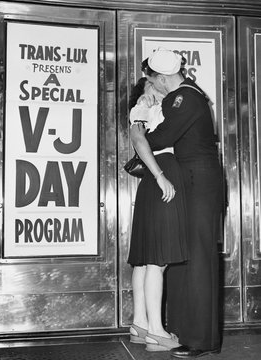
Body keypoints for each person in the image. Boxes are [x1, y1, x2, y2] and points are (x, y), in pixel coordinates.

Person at [132, 47, 224, 358]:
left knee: (197, 259)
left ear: (161, 77)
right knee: (182, 258)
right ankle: (184, 332)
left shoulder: (185, 97)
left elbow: (159, 138)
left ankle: (201, 340)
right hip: (189, 183)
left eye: (151, 80)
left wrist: (138, 121)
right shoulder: (182, 97)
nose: (151, 85)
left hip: (198, 185)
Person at [127, 76, 188, 352]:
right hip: (159, 173)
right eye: (151, 84)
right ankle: (156, 332)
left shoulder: (150, 108)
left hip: (151, 181)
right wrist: (161, 175)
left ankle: (140, 324)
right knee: (158, 260)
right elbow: (139, 141)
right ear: (144, 90)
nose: (158, 87)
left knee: (145, 259)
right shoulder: (145, 107)